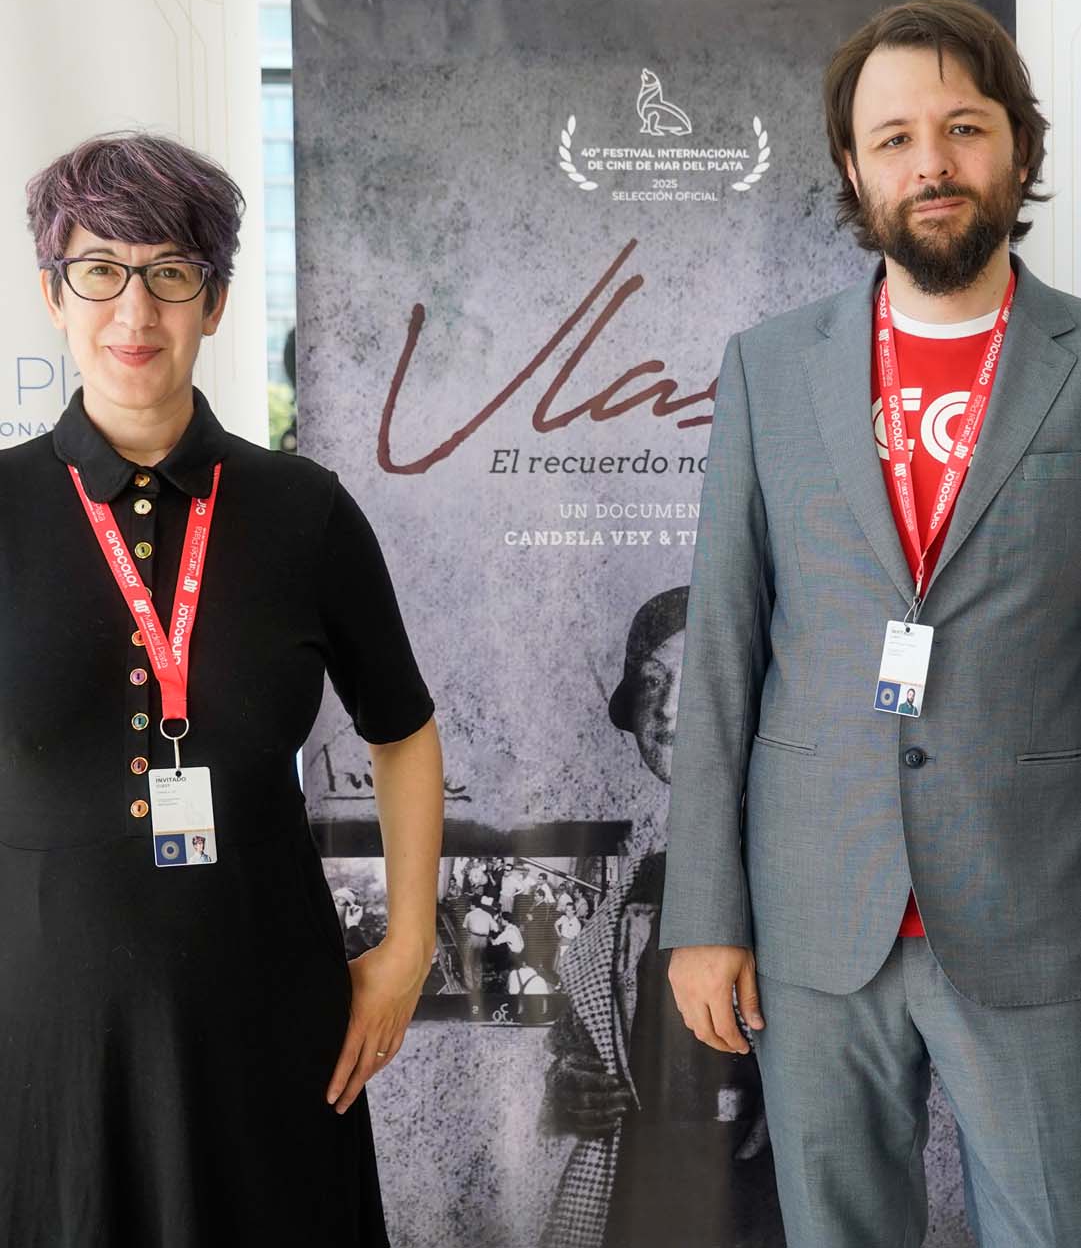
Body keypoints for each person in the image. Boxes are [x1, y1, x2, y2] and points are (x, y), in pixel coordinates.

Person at [662, 0, 1081, 1247]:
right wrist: (704, 917)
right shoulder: (769, 366)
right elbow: (722, 650)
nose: (930, 162)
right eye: (893, 137)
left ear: (1018, 145)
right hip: (814, 915)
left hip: (1039, 913)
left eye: (962, 127)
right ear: (852, 168)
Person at [0, 131, 444, 1246]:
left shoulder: (305, 510)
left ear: (217, 299)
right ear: (53, 293)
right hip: (39, 1035)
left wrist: (408, 945)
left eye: (170, 271)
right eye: (99, 269)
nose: (134, 309)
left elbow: (403, 730)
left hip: (269, 1024)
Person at [543, 588, 783, 1248]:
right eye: (652, 682)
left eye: (699, 676)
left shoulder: (801, 868)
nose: (671, 708)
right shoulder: (634, 885)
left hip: (770, 1202)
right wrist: (573, 1086)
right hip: (648, 1196)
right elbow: (586, 1035)